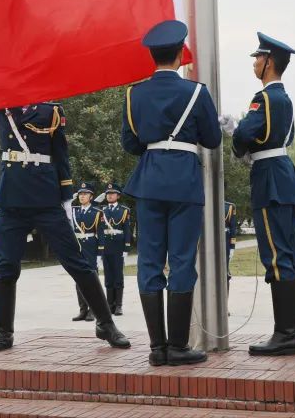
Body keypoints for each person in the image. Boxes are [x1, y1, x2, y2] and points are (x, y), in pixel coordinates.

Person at [0, 99, 129, 353]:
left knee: (77, 262)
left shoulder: (51, 111)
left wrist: (66, 197)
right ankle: (4, 332)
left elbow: (61, 154)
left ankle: (106, 323)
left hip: (45, 197)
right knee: (4, 267)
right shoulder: (3, 106)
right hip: (11, 199)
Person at [122, 19, 222, 366]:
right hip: (183, 182)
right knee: (181, 260)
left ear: (153, 57)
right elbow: (212, 139)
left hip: (149, 181)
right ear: (181, 54)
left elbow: (130, 143)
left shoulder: (134, 94)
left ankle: (157, 348)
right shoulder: (196, 92)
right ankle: (178, 347)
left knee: (149, 261)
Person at [228, 32, 295, 356]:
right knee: (290, 257)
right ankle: (294, 334)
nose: (255, 63)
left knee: (276, 257)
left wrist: (236, 137)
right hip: (283, 175)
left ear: (269, 62)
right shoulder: (285, 99)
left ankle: (285, 336)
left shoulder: (264, 98)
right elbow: (283, 136)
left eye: (258, 57)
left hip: (270, 179)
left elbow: (245, 134)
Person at [71, 182, 105, 322]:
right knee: (78, 279)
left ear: (91, 196)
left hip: (91, 247)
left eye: (85, 194)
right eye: (80, 194)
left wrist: (99, 254)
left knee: (91, 279)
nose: (82, 196)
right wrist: (70, 200)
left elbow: (101, 234)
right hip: (77, 247)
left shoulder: (97, 212)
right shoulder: (74, 211)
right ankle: (83, 310)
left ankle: (93, 310)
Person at [100, 182, 133, 316]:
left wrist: (126, 247)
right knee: (108, 275)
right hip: (106, 245)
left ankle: (118, 305)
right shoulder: (102, 210)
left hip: (118, 246)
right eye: (108, 193)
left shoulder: (124, 210)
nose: (109, 195)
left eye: (112, 193)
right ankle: (109, 304)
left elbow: (127, 229)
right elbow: (100, 230)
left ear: (118, 196)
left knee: (118, 275)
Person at [224, 199, 238, 292]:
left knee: (225, 272)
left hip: (225, 240)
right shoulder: (229, 206)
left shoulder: (230, 206)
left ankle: (224, 298)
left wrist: (232, 246)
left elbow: (233, 227)